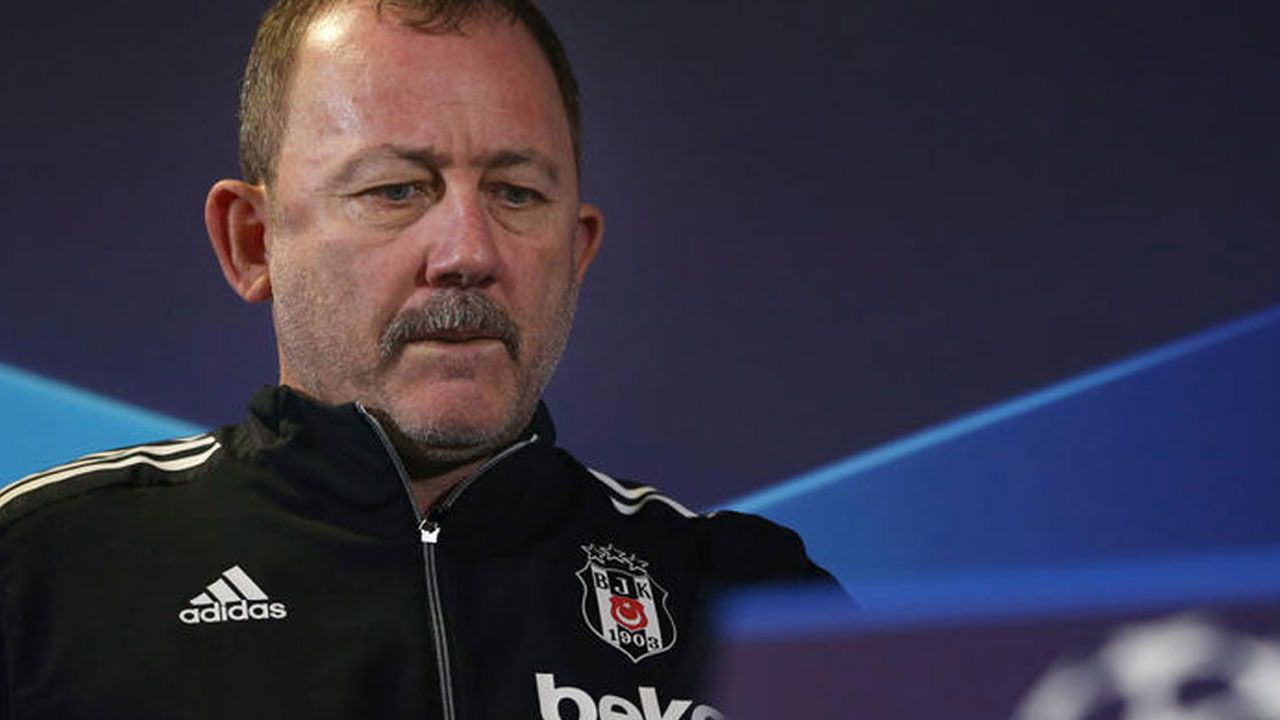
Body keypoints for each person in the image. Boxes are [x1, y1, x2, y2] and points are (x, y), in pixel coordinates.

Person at [0, 1, 838, 717]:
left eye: (516, 193)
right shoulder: (39, 576)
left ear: (578, 250)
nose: (468, 252)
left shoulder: (754, 602)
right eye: (395, 190)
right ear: (252, 242)